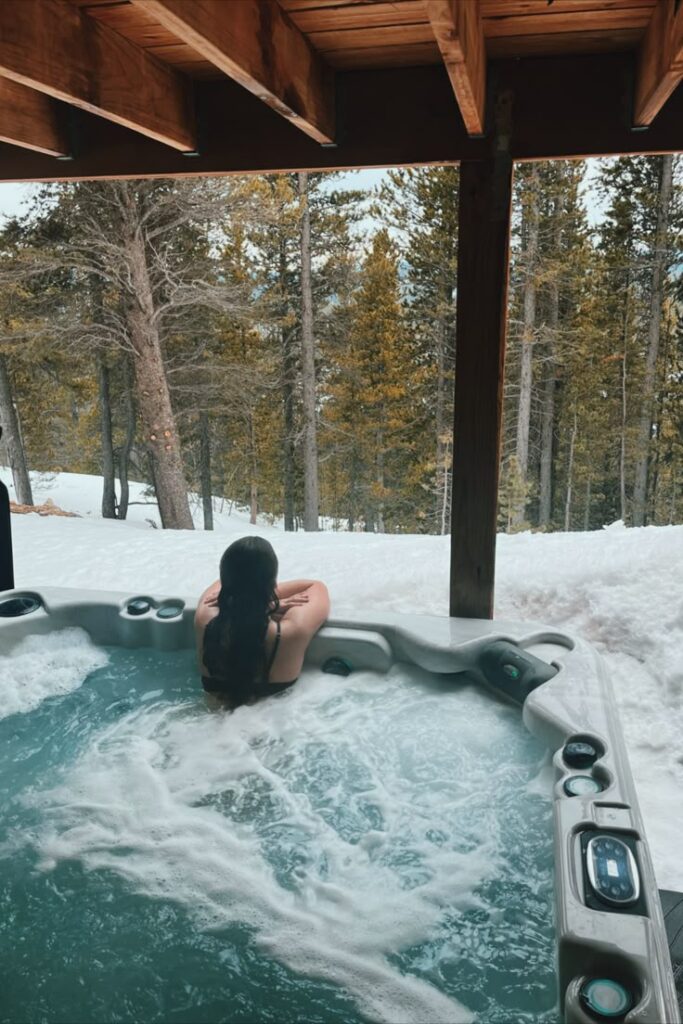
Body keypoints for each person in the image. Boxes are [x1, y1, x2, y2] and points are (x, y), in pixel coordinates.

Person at [194, 536, 330, 708]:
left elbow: (226, 583)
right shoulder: (290, 631)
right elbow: (316, 587)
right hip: (266, 725)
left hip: (210, 725)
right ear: (273, 584)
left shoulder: (204, 618)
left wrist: (258, 601)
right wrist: (268, 601)